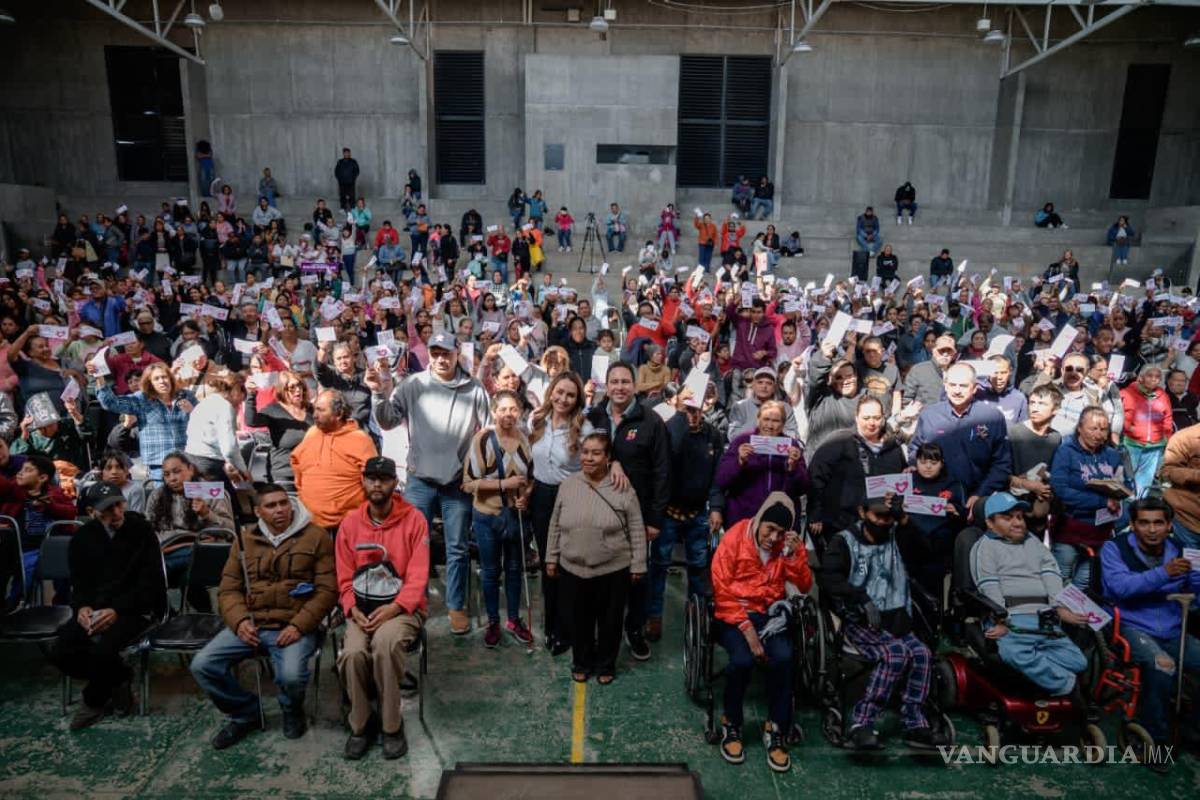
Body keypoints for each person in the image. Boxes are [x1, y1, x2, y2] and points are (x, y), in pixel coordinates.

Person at [190, 483, 336, 749]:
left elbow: (327, 590)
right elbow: (229, 588)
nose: (280, 509)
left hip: (294, 627)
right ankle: (246, 713)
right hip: (252, 625)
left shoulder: (316, 537)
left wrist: (300, 625)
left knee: (291, 677)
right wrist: (240, 621)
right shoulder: (244, 540)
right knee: (203, 665)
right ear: (258, 511)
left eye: (284, 503)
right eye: (271, 505)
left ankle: (292, 711)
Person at [368, 331, 491, 635]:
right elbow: (387, 421)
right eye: (434, 352)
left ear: (456, 353)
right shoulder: (412, 385)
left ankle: (456, 606)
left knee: (458, 548)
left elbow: (488, 433)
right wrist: (377, 393)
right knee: (412, 545)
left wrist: (475, 473)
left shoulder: (474, 388)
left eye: (445, 353)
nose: (439, 358)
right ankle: (414, 602)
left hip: (456, 484)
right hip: (420, 481)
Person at [817, 498, 946, 751]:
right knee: (895, 655)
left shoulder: (899, 535)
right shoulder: (844, 541)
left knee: (921, 654)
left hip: (897, 619)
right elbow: (828, 577)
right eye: (878, 516)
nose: (883, 522)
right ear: (862, 511)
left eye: (888, 517)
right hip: (860, 622)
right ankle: (861, 723)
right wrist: (859, 597)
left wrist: (905, 521)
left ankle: (914, 722)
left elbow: (926, 552)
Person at [49, 482, 166, 730]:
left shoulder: (141, 531)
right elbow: (79, 583)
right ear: (92, 512)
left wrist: (117, 610)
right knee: (62, 649)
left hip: (136, 609)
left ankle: (94, 700)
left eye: (118, 505)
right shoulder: (83, 538)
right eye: (107, 509)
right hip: (95, 609)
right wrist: (81, 608)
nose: (116, 513)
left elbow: (151, 584)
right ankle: (119, 679)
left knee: (104, 650)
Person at [336, 457, 429, 761]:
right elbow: (344, 576)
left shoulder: (415, 520)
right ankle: (361, 724)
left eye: (384, 479)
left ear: (394, 483)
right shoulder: (350, 523)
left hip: (403, 609)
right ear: (362, 482)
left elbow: (418, 576)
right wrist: (351, 609)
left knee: (385, 644)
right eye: (371, 478)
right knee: (352, 653)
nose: (377, 484)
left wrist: (396, 607)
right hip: (362, 609)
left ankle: (391, 725)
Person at [710, 492, 811, 771]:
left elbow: (803, 586)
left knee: (784, 658)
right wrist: (747, 630)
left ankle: (776, 726)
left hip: (768, 616)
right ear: (759, 521)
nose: (773, 537)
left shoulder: (786, 548)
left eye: (780, 532)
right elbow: (720, 589)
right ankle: (732, 723)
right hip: (733, 614)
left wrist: (796, 556)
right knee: (741, 661)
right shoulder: (735, 537)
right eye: (770, 529)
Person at [582, 361, 670, 661]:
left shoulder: (650, 420)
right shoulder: (593, 416)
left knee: (636, 576)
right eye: (614, 381)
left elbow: (662, 471)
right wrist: (613, 461)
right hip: (597, 511)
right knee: (600, 574)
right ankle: (601, 630)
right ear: (606, 385)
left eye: (625, 382)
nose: (619, 387)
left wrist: (656, 518)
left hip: (638, 514)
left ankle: (634, 628)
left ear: (634, 385)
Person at [1099, 497, 1200, 756]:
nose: (1152, 529)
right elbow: (1121, 588)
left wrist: (1197, 579)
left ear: (1169, 526)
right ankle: (1154, 737)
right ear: (1133, 524)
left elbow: (1194, 595)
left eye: (1158, 523)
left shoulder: (1181, 550)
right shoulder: (1114, 548)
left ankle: (1192, 731)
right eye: (1144, 523)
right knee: (1162, 665)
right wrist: (1164, 574)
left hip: (1174, 627)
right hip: (1132, 626)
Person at [546, 432, 647, 685]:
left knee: (610, 621)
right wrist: (551, 557)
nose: (589, 458)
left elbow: (636, 526)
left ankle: (605, 665)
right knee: (578, 619)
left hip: (613, 568)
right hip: (572, 567)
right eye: (585, 452)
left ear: (608, 458)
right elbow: (555, 524)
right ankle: (581, 661)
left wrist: (638, 563)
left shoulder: (621, 486)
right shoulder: (568, 485)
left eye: (596, 453)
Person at [970, 492, 1089, 696]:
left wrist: (1059, 607)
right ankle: (1066, 686)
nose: (1017, 523)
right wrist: (1000, 619)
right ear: (990, 523)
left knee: (1079, 662)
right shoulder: (984, 547)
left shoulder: (1032, 541)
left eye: (1019, 517)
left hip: (1044, 617)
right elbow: (989, 586)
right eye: (1007, 518)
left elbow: (1051, 573)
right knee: (1014, 654)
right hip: (1010, 616)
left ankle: (1042, 669)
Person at [646, 394, 725, 641]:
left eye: (696, 410)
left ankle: (697, 615)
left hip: (697, 511)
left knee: (699, 567)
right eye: (687, 410)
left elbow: (717, 477)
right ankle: (654, 616)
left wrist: (716, 507)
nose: (692, 415)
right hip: (669, 511)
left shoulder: (713, 435)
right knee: (659, 565)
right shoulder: (669, 430)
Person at [461, 391, 536, 648]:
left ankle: (513, 619)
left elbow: (530, 478)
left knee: (515, 569)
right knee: (491, 571)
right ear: (494, 412)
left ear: (520, 412)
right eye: (502, 409)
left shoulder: (524, 440)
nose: (508, 415)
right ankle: (493, 621)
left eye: (513, 410)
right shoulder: (482, 440)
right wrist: (505, 484)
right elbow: (469, 483)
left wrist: (524, 496)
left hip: (515, 516)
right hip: (487, 516)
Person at [527, 372, 585, 654]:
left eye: (570, 395)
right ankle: (552, 627)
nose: (563, 398)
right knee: (548, 565)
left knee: (567, 565)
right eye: (559, 392)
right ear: (551, 392)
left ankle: (570, 626)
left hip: (570, 498)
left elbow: (596, 465)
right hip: (540, 497)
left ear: (577, 400)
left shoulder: (584, 428)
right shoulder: (536, 421)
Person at [909, 363, 1010, 513]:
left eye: (963, 386)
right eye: (952, 385)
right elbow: (915, 450)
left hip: (975, 501)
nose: (957, 391)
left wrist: (980, 494)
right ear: (946, 386)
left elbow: (1001, 463)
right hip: (934, 500)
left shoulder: (992, 417)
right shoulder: (929, 415)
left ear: (974, 387)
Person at [1049, 407, 1129, 589]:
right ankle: (1057, 616)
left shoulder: (1112, 455)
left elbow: (1126, 485)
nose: (1098, 434)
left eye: (1103, 429)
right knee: (1060, 577)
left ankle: (1075, 614)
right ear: (1080, 428)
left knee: (1085, 580)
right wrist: (1101, 501)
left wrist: (1119, 495)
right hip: (1069, 527)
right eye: (1093, 428)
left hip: (1101, 530)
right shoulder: (1066, 452)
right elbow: (1060, 489)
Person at [806, 396, 907, 540]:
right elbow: (816, 476)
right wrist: (816, 513)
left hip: (882, 525)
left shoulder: (893, 448)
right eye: (866, 418)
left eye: (876, 418)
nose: (872, 423)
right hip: (842, 525)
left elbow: (902, 480)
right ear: (856, 417)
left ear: (883, 418)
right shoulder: (838, 441)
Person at [291, 389, 377, 532]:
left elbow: (373, 481)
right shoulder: (312, 433)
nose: (315, 415)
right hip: (311, 523)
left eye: (321, 410)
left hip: (348, 526)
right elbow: (297, 465)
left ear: (338, 414)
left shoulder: (359, 439)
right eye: (314, 410)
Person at [94, 361, 195, 482]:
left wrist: (193, 411)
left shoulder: (186, 395)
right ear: (149, 383)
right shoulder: (141, 399)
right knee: (163, 500)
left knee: (192, 500)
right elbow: (110, 403)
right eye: (156, 379)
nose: (162, 381)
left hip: (186, 462)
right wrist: (99, 377)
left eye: (164, 377)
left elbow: (205, 424)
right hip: (159, 466)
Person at [716, 401, 808, 527]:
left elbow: (804, 488)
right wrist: (739, 461)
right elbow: (721, 480)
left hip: (779, 521)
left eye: (776, 421)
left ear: (783, 424)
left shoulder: (791, 445)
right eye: (766, 419)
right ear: (758, 420)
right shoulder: (741, 441)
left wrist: (794, 467)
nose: (770, 425)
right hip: (743, 519)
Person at [244, 370, 312, 484]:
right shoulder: (274, 410)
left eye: (300, 385)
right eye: (292, 387)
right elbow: (251, 421)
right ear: (282, 390)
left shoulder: (311, 410)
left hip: (310, 473)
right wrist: (251, 395)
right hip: (284, 474)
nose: (298, 390)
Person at [185, 370, 251, 486]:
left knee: (199, 500)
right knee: (226, 501)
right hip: (210, 465)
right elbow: (229, 449)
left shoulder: (206, 402)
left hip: (191, 461)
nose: (242, 398)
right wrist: (243, 471)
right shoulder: (225, 407)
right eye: (242, 391)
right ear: (236, 389)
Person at [1120, 364, 1173, 498]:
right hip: (1132, 442)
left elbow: (1167, 417)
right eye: (1150, 376)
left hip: (1155, 444)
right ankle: (1126, 505)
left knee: (1146, 478)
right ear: (1141, 377)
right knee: (1127, 475)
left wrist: (1167, 437)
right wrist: (1130, 428)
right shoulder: (1126, 393)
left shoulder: (1163, 395)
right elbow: (1121, 415)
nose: (1154, 379)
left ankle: (1140, 504)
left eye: (1157, 377)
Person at [1161, 421, 1200, 547]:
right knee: (1189, 564)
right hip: (1189, 518)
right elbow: (1167, 471)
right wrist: (1196, 475)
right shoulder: (1184, 437)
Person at [902, 333, 956, 408]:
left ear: (954, 354)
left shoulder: (957, 372)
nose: (945, 354)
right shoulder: (919, 370)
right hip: (923, 417)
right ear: (934, 351)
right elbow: (907, 399)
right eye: (942, 350)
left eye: (949, 351)